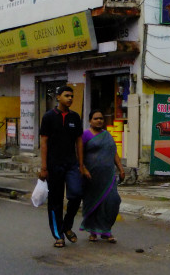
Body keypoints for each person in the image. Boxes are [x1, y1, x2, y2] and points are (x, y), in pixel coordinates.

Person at [39, 86, 89, 248]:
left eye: (71, 96)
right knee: (55, 201)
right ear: (58, 97)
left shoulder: (75, 117)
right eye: (67, 95)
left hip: (71, 164)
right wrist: (44, 167)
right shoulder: (48, 117)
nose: (70, 98)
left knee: (76, 194)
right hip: (54, 166)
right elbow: (44, 142)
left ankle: (67, 225)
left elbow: (79, 142)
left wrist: (81, 165)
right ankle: (58, 235)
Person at [79, 109, 125, 243]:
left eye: (101, 118)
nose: (99, 120)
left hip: (108, 176)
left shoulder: (107, 135)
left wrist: (121, 169)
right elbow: (79, 153)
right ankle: (94, 232)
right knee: (93, 203)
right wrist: (83, 168)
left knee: (113, 201)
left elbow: (114, 153)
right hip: (91, 177)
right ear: (90, 121)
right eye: (96, 118)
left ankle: (106, 230)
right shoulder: (85, 135)